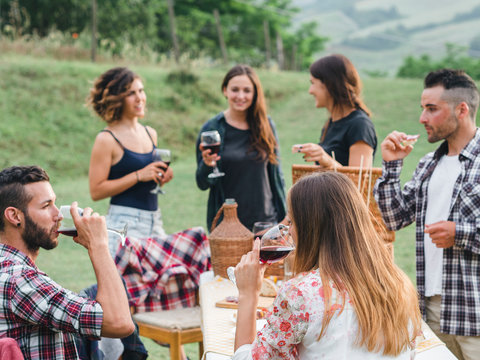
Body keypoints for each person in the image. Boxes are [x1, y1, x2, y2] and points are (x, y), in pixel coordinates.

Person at [233, 172, 421, 359]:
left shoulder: (301, 293)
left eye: (291, 221)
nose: (289, 231)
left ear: (310, 228)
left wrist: (248, 294)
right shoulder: (400, 285)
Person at [374, 68, 480, 360]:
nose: (422, 118)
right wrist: (392, 166)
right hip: (430, 307)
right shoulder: (427, 165)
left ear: (461, 109)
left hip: (474, 310)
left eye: (431, 109)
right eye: (423, 108)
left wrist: (460, 233)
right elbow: (394, 218)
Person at [0, 165, 135, 359]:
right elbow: (120, 323)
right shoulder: (19, 280)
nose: (59, 215)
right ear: (14, 216)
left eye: (55, 204)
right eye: (46, 206)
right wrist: (98, 246)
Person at [88, 67, 173, 257]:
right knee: (124, 287)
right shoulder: (107, 139)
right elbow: (96, 190)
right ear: (118, 99)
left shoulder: (150, 133)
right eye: (131, 93)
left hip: (154, 220)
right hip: (124, 223)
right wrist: (138, 176)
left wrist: (161, 176)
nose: (139, 98)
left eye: (141, 91)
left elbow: (149, 177)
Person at [195, 64, 286, 231]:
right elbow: (202, 183)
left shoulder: (266, 125)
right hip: (228, 228)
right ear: (225, 90)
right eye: (235, 89)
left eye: (247, 90)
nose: (240, 96)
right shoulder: (211, 129)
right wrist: (207, 165)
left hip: (266, 223)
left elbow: (277, 176)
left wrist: (284, 218)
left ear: (255, 93)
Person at [294, 54, 377, 168]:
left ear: (329, 84)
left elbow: (360, 181)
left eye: (313, 83)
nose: (310, 91)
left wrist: (326, 160)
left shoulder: (360, 125)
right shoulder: (330, 124)